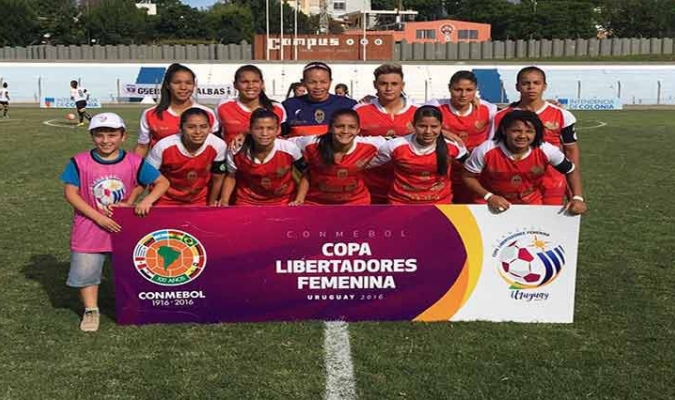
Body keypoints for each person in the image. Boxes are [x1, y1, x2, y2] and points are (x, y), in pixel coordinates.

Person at [60, 113, 169, 332]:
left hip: (125, 226)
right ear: (92, 136)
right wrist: (99, 217)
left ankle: (136, 304)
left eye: (112, 135)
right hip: (90, 224)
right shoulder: (79, 162)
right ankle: (91, 310)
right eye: (99, 135)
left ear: (122, 136)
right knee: (86, 268)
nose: (106, 140)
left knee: (134, 267)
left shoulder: (134, 161)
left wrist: (144, 201)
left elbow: (162, 182)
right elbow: (71, 193)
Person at [463, 110, 586, 215]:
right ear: (505, 130)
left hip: (529, 205)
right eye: (516, 130)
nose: (522, 136)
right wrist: (488, 196)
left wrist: (577, 197)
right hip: (490, 204)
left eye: (529, 131)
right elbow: (467, 176)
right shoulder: (486, 150)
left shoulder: (547, 150)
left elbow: (570, 170)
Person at [492, 66, 579, 205]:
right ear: (517, 86)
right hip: (512, 183)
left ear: (544, 86)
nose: (531, 87)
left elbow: (571, 151)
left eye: (536, 83)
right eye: (526, 83)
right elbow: (493, 150)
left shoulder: (562, 115)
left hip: (552, 183)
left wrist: (574, 191)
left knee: (547, 225)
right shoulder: (501, 116)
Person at [369, 105, 468, 204]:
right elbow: (367, 164)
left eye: (434, 127)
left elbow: (470, 167)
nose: (428, 132)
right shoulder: (394, 145)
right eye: (422, 126)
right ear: (413, 125)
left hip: (440, 203)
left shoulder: (453, 146)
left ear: (441, 126)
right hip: (401, 203)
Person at [426, 70, 497, 203]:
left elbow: (492, 142)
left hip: (474, 172)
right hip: (443, 171)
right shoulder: (435, 106)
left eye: (469, 90)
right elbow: (417, 123)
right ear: (449, 88)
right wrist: (442, 132)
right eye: (458, 89)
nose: (463, 94)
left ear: (476, 90)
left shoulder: (489, 109)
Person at [292, 109, 386, 205]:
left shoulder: (371, 144)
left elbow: (396, 144)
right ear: (330, 128)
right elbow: (284, 144)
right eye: (339, 126)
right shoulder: (311, 143)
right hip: (316, 203)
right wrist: (301, 165)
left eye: (352, 127)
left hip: (356, 202)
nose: (345, 131)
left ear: (358, 130)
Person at [355, 63, 418, 203]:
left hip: (407, 189)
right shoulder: (360, 111)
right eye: (383, 83)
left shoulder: (417, 111)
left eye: (394, 84)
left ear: (402, 85)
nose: (389, 88)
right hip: (368, 186)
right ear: (375, 85)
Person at [220, 109, 308, 206]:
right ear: (249, 129)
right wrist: (224, 201)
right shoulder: (236, 150)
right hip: (247, 202)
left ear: (278, 130)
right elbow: (231, 176)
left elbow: (306, 173)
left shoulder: (290, 148)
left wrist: (299, 199)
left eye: (270, 128)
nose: (264, 133)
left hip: (283, 201)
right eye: (258, 128)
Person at [134, 63, 219, 157]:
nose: (183, 87)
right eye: (177, 83)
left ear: (194, 85)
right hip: (160, 170)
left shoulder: (208, 114)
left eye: (188, 83)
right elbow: (142, 146)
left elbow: (215, 146)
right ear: (167, 85)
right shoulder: (151, 114)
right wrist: (133, 169)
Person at [146, 107, 227, 206]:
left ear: (210, 128)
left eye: (203, 126)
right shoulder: (163, 146)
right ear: (180, 128)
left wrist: (211, 204)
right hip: (166, 199)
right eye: (191, 127)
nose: (198, 132)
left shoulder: (218, 145)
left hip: (199, 200)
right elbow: (146, 176)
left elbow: (218, 178)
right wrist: (147, 200)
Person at [216, 65, 287, 146]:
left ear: (262, 84)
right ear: (235, 85)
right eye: (244, 82)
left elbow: (283, 138)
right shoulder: (223, 107)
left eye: (255, 81)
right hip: (232, 157)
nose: (250, 86)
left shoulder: (277, 108)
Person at [282, 62, 357, 137]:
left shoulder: (348, 105)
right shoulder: (289, 105)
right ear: (303, 82)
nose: (318, 86)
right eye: (312, 82)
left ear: (330, 82)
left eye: (323, 82)